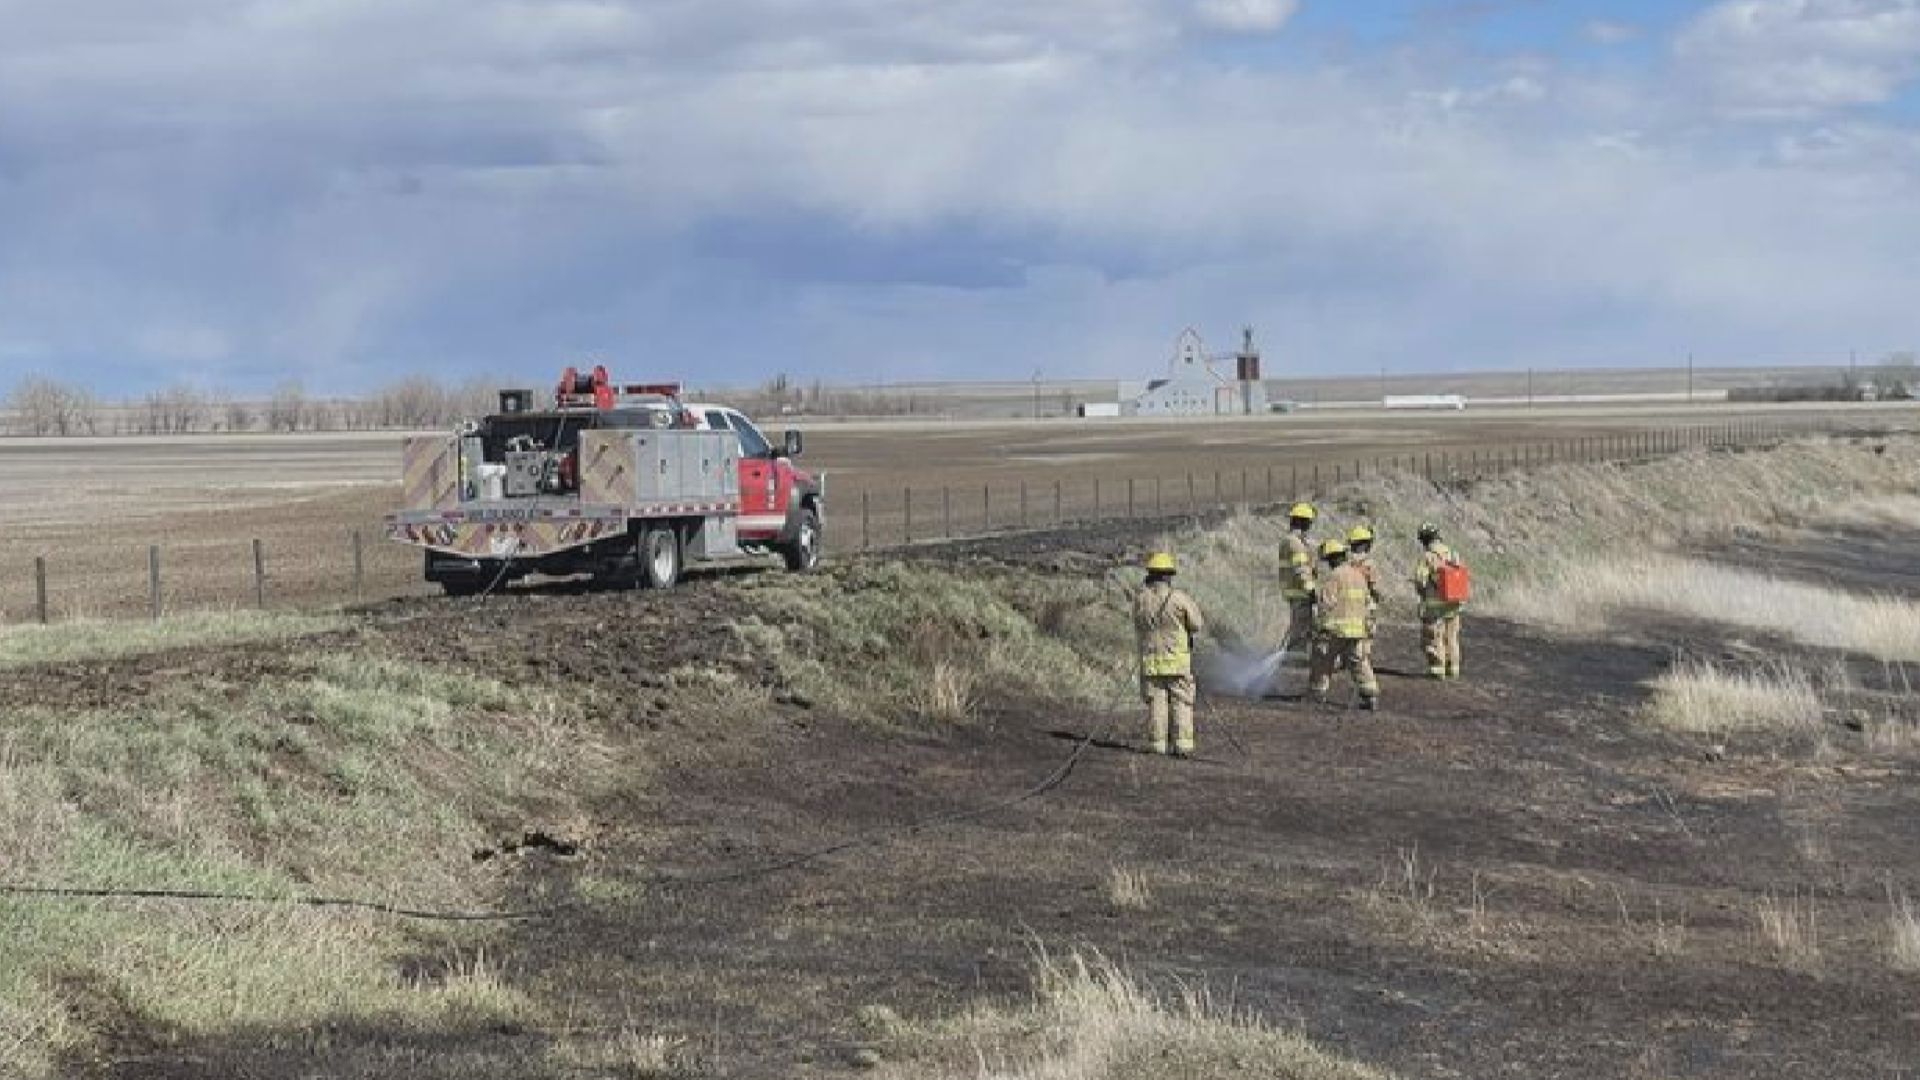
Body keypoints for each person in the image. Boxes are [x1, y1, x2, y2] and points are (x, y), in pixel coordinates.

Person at [1133, 552, 1207, 757]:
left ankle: (1157, 744)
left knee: (1156, 702)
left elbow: (1138, 625)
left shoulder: (1141, 600)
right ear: (1168, 576)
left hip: (1151, 662)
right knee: (1181, 701)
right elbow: (1197, 624)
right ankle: (1182, 745)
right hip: (1177, 662)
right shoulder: (1179, 599)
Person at [1308, 539, 1379, 710]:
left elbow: (1326, 604)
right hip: (1357, 631)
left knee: (1323, 660)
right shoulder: (1358, 575)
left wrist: (1317, 627)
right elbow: (1368, 603)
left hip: (1336, 631)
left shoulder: (1335, 576)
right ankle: (1370, 696)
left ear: (1332, 559)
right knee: (1359, 663)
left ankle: (1317, 693)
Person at [1271, 503, 1318, 690]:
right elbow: (1301, 570)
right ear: (1305, 523)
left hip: (1294, 593)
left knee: (1301, 630)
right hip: (1300, 594)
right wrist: (1311, 590)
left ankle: (1296, 662)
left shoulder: (1289, 540)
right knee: (1299, 633)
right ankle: (1291, 668)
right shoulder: (1295, 544)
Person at [1413, 522, 1464, 680]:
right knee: (1451, 636)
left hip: (1435, 605)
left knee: (1433, 637)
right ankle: (1453, 668)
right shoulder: (1453, 553)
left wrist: (1422, 592)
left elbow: (1420, 580)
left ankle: (1437, 669)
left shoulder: (1428, 556)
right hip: (1453, 603)